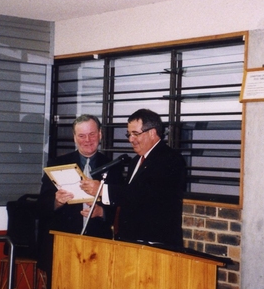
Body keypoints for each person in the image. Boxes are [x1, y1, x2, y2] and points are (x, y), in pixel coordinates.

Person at [81, 108, 187, 247]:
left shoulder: (170, 160)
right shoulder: (136, 161)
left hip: (155, 245)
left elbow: (145, 195)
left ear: (152, 133)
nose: (131, 139)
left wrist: (102, 190)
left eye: (136, 134)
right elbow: (127, 198)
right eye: (129, 134)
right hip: (131, 241)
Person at [35, 114, 125, 275]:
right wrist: (57, 201)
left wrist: (102, 212)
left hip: (97, 246)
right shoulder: (56, 164)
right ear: (74, 138)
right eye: (82, 136)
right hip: (63, 244)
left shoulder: (113, 167)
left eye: (92, 134)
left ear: (100, 135)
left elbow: (121, 208)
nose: (87, 140)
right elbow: (41, 205)